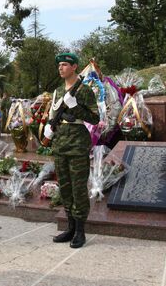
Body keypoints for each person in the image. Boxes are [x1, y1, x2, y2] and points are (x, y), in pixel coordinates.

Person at [43, 53, 99, 248]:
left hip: (77, 143)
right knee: (65, 188)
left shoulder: (84, 90)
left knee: (78, 189)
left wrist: (75, 108)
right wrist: (49, 127)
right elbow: (53, 114)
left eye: (65, 64)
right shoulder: (58, 91)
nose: (60, 68)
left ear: (75, 67)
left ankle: (81, 231)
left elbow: (94, 119)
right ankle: (70, 227)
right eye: (59, 64)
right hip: (60, 144)